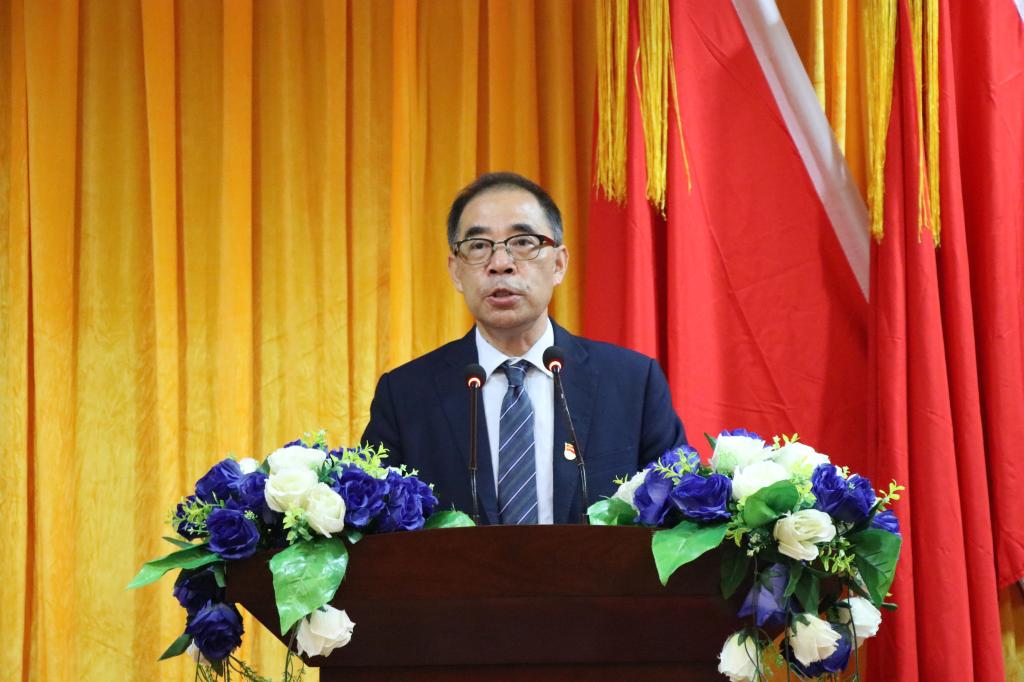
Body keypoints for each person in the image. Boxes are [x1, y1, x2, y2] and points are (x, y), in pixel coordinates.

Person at [361, 172, 686, 524]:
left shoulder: (633, 384)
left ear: (558, 264)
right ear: (456, 272)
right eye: (478, 246)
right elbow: (374, 529)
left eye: (523, 242)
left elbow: (679, 519)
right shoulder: (406, 396)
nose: (500, 263)